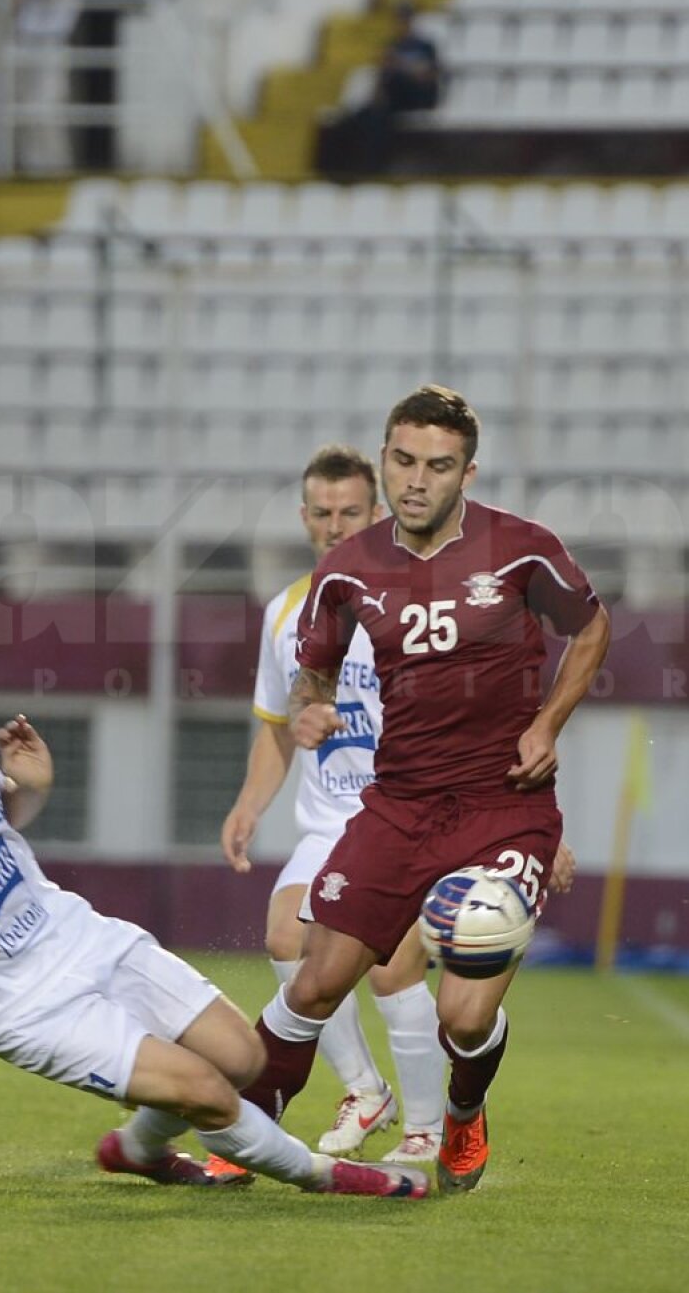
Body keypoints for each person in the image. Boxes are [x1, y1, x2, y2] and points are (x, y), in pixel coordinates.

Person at [0, 640, 430, 1200]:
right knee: (208, 1094)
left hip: (79, 933)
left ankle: (135, 1150)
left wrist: (33, 788)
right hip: (20, 1005)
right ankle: (328, 1177)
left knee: (242, 1058)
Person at [239, 385, 611, 1195]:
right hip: (398, 806)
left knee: (463, 1017)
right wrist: (307, 709)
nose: (417, 479)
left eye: (438, 466)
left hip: (502, 805)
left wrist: (549, 722)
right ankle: (243, 1133)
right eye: (403, 460)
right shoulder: (345, 571)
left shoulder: (521, 549)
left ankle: (463, 1112)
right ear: (384, 460)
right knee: (311, 979)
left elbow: (590, 625)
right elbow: (313, 670)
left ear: (466, 472)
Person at [218, 445, 447, 1169]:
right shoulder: (286, 612)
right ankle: (363, 1088)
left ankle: (427, 1130)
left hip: (410, 812)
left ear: (377, 513)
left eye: (351, 510)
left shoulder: (419, 599)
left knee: (388, 966)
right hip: (331, 820)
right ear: (305, 516)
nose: (335, 524)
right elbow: (277, 727)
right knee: (287, 932)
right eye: (322, 512)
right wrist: (250, 805)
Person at [316, 0, 442, 179]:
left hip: (415, 96)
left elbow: (429, 76)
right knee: (361, 117)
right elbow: (382, 77)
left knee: (381, 112)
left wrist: (401, 66)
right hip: (392, 100)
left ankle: (370, 167)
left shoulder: (425, 46)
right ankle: (347, 166)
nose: (401, 22)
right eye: (399, 18)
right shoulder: (391, 45)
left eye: (405, 18)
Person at [9, 0, 87, 174]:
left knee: (49, 105)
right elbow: (14, 5)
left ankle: (56, 165)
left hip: (53, 44)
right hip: (26, 43)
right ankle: (31, 163)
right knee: (25, 106)